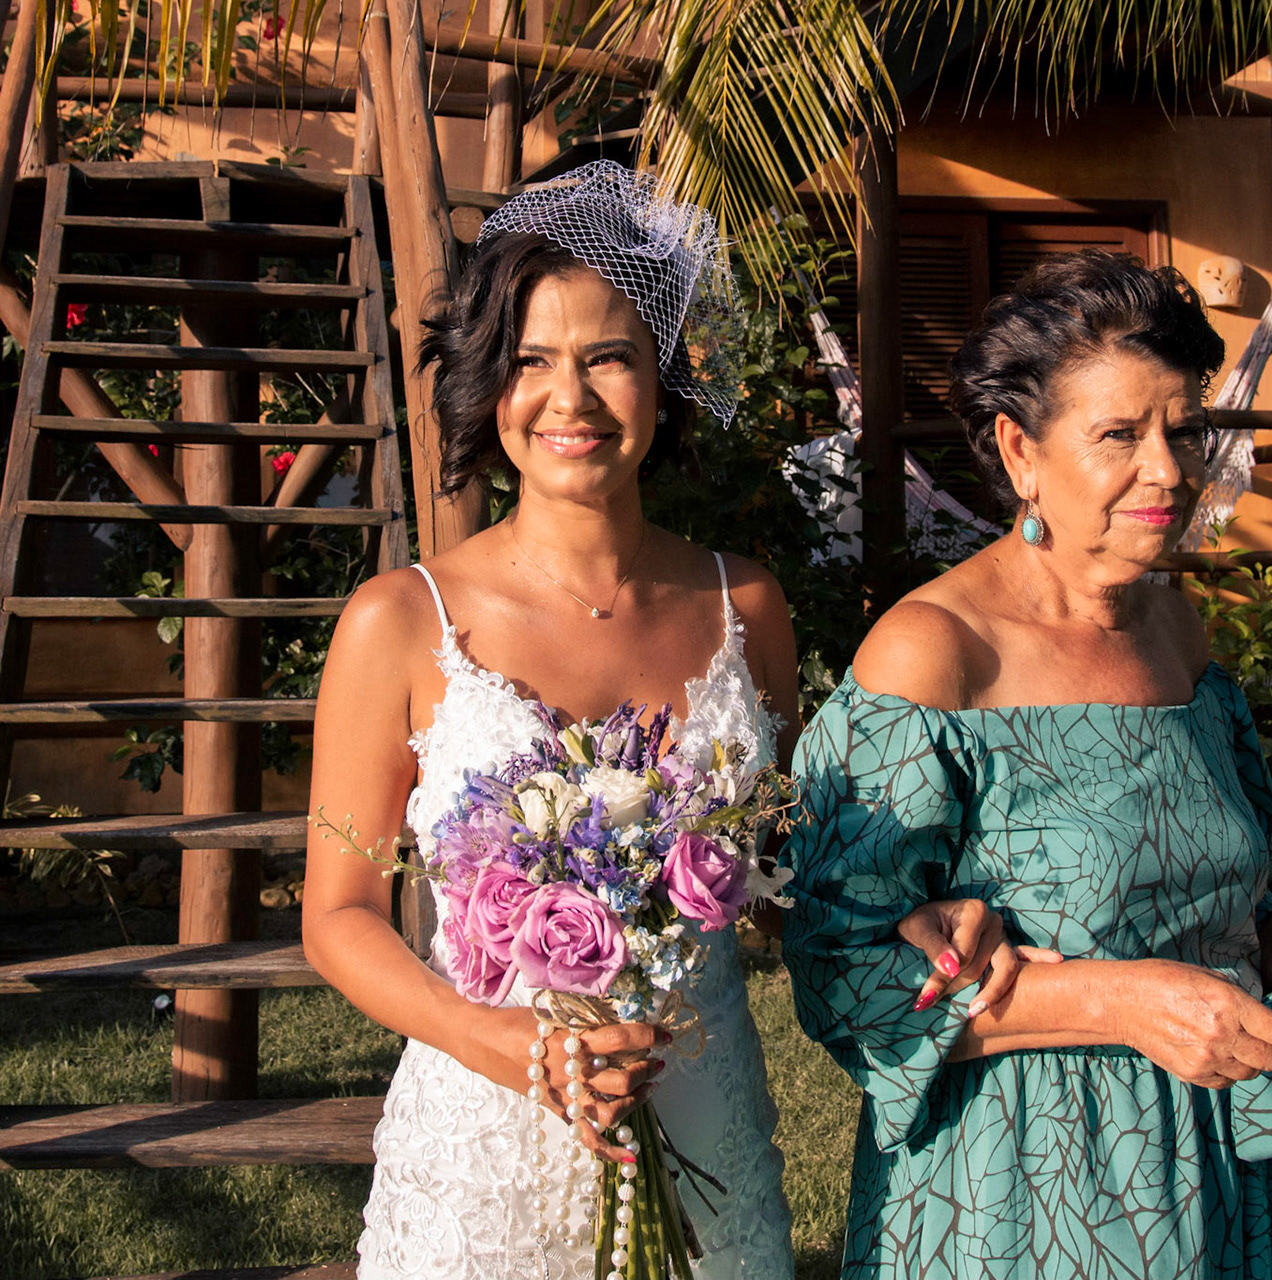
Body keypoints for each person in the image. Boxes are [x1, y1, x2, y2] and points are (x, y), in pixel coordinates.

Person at [302, 162, 1036, 1280]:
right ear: (489, 384)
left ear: (664, 376)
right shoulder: (401, 619)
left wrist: (910, 915)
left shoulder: (746, 606)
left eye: (609, 356)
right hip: (484, 1137)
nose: (572, 398)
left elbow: (796, 870)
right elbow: (339, 914)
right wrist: (507, 1043)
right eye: (532, 362)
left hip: (703, 1120)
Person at [782, 250, 1272, 1280]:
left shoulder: (1178, 630)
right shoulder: (937, 655)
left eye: (1185, 428)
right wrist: (1117, 1002)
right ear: (1021, 451)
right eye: (1120, 434)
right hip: (1019, 1191)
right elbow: (842, 972)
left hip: (1219, 1179)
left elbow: (1194, 893)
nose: (1169, 469)